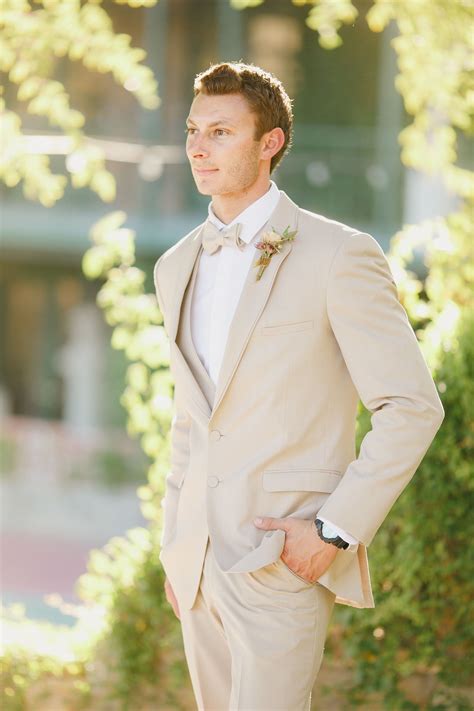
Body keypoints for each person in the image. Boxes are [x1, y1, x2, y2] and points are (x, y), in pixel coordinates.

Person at [153, 61, 444, 711]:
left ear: (270, 143)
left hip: (279, 558)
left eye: (221, 132)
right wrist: (177, 543)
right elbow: (189, 421)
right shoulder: (174, 266)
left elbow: (411, 406)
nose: (198, 146)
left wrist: (334, 530)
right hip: (196, 567)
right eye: (193, 130)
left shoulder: (338, 255)